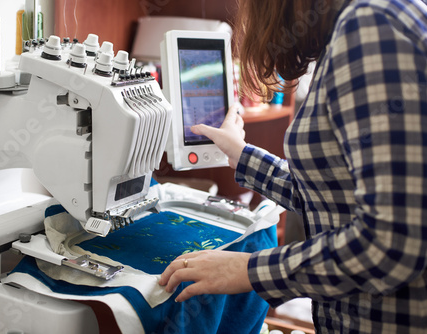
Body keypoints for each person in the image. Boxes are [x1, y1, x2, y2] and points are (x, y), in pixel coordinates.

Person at [159, 0, 427, 332]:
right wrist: (241, 155)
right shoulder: (372, 21)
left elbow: (394, 241)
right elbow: (335, 194)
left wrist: (248, 271)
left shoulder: (369, 26)